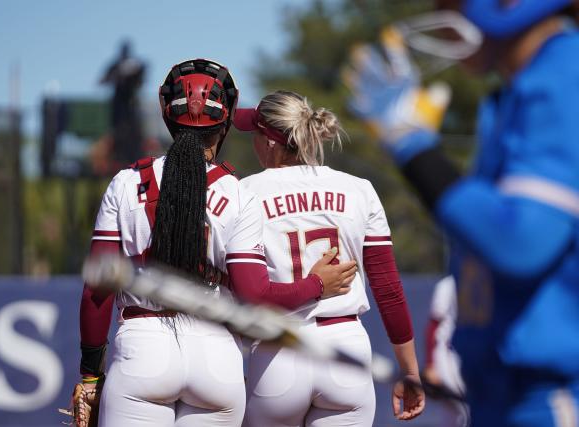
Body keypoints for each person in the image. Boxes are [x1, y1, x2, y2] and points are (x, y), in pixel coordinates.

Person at [77, 59, 357, 427]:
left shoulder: (126, 183)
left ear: (166, 115)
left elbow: (98, 290)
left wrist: (90, 376)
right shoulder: (238, 193)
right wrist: (316, 284)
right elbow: (253, 295)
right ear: (224, 125)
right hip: (216, 358)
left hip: (141, 350)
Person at [346, 1, 579, 425]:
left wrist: (415, 149)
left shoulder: (565, 74)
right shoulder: (524, 87)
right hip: (502, 389)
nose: (445, 13)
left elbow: (520, 241)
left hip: (549, 394)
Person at [233, 90, 425, 427]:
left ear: (271, 142)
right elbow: (388, 289)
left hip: (278, 351)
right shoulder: (359, 188)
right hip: (346, 349)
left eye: (256, 135)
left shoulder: (244, 191)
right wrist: (410, 370)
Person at [423, 275, 467, 427]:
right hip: (448, 356)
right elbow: (433, 326)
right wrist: (430, 365)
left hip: (472, 356)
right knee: (459, 409)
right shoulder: (448, 284)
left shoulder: (486, 277)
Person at [99, 41, 146, 167]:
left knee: (135, 135)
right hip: (119, 108)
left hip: (131, 106)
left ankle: (135, 159)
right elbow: (102, 80)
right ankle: (117, 158)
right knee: (118, 134)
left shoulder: (135, 64)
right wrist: (118, 74)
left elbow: (141, 79)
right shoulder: (115, 65)